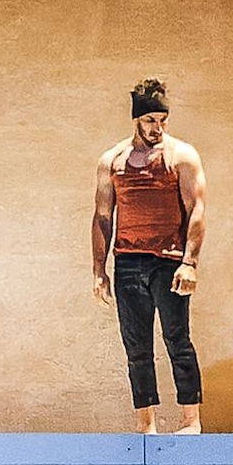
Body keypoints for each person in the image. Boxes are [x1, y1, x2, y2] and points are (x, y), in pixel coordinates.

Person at [86, 77, 209, 436]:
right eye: (150, 121)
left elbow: (196, 210)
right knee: (137, 346)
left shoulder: (181, 155)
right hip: (128, 261)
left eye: (162, 120)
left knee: (177, 339)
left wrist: (190, 262)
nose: (157, 128)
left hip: (168, 261)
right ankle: (146, 424)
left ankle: (190, 421)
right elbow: (102, 216)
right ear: (136, 120)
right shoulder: (113, 160)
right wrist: (98, 270)